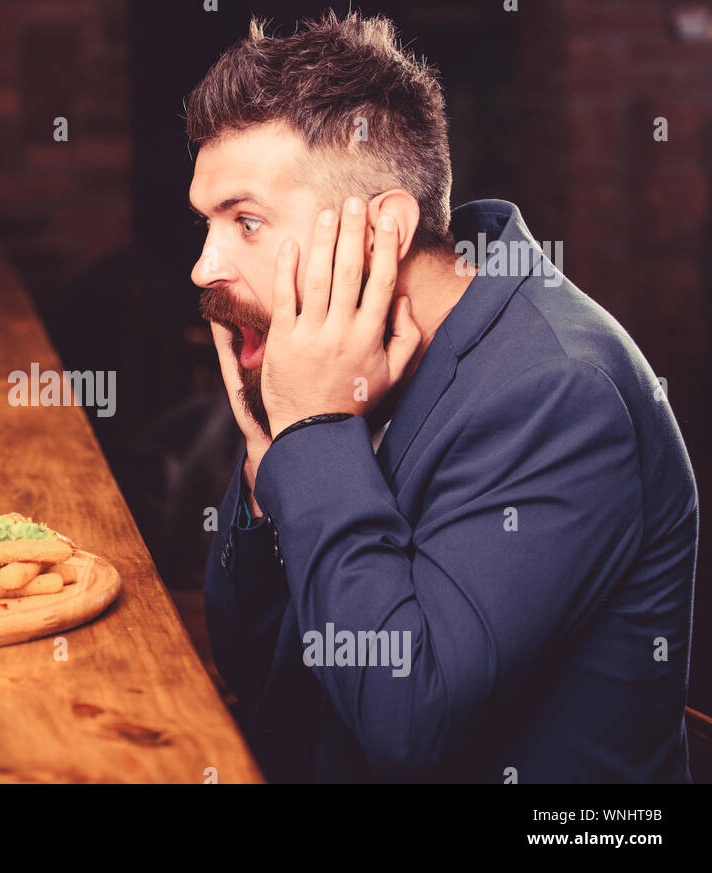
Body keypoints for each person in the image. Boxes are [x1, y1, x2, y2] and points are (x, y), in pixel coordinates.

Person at [191, 11, 698, 782]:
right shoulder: (337, 351)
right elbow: (262, 672)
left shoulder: (561, 395)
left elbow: (407, 724)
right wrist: (272, 488)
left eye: (247, 222)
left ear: (381, 232)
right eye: (208, 224)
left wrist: (316, 435)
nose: (204, 267)